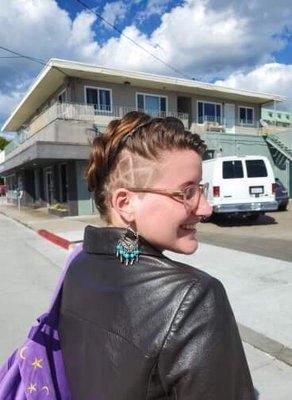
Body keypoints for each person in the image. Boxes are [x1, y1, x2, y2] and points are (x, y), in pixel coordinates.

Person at [58, 111, 256, 399]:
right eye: (186, 192)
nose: (205, 209)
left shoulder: (78, 265)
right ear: (125, 203)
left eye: (199, 189)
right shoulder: (194, 298)